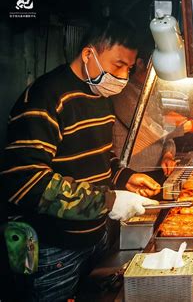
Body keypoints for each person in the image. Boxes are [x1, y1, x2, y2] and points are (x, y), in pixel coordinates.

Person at [0, 17, 162, 301]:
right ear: (89, 54)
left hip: (95, 238)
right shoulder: (45, 99)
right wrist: (109, 201)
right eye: (117, 65)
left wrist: (125, 178)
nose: (123, 76)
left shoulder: (100, 96)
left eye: (128, 67)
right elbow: (26, 183)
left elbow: (101, 157)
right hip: (53, 249)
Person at [112, 57, 178, 182]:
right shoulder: (123, 92)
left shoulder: (152, 89)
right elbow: (146, 129)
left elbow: (162, 127)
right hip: (133, 173)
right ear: (140, 63)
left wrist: (168, 154)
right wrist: (187, 126)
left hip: (159, 169)